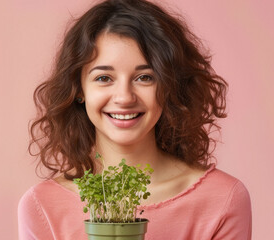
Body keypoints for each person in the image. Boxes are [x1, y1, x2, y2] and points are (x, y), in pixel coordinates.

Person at [18, 0, 252, 239]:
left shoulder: (222, 199)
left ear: (169, 86)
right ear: (79, 89)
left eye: (144, 77)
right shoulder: (42, 206)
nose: (124, 97)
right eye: (103, 78)